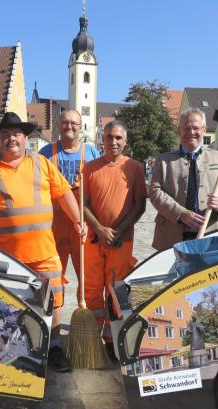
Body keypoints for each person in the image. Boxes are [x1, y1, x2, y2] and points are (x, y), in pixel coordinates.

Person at [0, 112, 86, 372]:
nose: (11, 139)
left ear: (25, 138)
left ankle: (54, 348)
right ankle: (16, 351)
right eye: (5, 135)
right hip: (8, 258)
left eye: (16, 134)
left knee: (54, 301)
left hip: (45, 252)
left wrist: (77, 220)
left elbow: (64, 193)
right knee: (11, 304)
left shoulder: (42, 163)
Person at [81, 121, 146, 350]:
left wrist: (118, 230)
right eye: (109, 137)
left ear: (125, 141)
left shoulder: (135, 167)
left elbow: (140, 205)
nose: (113, 142)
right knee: (92, 289)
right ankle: (92, 337)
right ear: (103, 140)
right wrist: (100, 229)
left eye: (118, 137)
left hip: (122, 240)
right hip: (94, 239)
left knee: (115, 290)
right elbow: (83, 204)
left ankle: (112, 339)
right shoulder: (89, 168)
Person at [148, 108, 218, 251]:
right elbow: (154, 192)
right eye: (186, 128)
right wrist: (180, 213)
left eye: (196, 128)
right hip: (171, 236)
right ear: (178, 131)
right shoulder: (163, 160)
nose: (191, 132)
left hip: (211, 234)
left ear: (204, 130)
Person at [39, 109, 100, 305]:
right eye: (65, 122)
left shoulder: (91, 152)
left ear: (81, 127)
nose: (69, 126)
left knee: (86, 275)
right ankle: (54, 315)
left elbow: (98, 188)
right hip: (53, 225)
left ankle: (85, 313)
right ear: (59, 125)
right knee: (54, 275)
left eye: (74, 123)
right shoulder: (46, 153)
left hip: (82, 224)